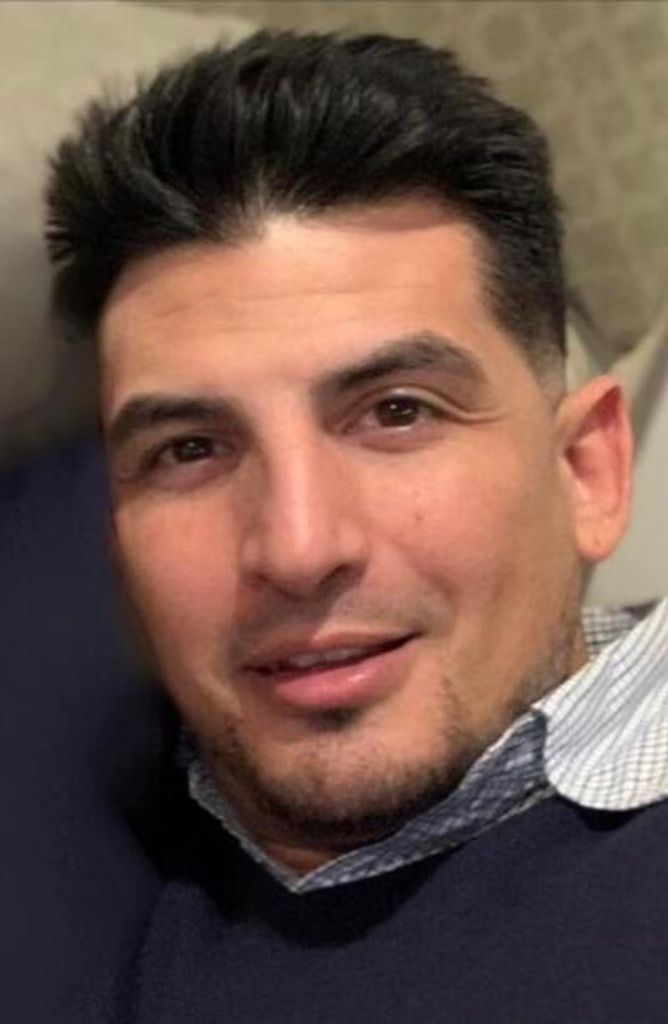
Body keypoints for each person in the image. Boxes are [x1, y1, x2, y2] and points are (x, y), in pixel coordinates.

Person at [44, 29, 667, 1022]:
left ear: (585, 471)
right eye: (190, 449)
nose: (298, 549)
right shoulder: (95, 833)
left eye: (397, 411)